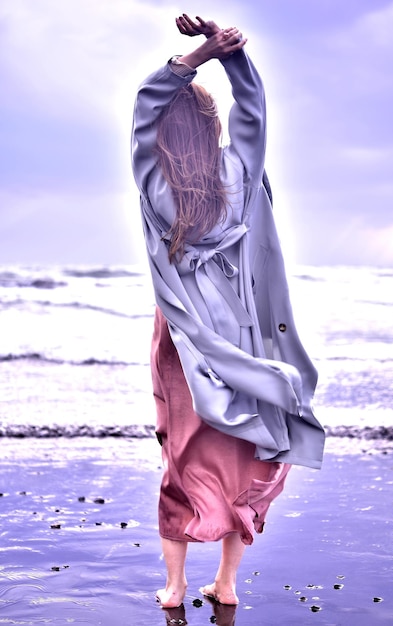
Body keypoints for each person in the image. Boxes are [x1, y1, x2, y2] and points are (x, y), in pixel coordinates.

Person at [131, 13, 325, 609]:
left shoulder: (154, 182)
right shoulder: (242, 172)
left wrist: (192, 59)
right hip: (245, 334)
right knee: (247, 451)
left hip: (186, 337)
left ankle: (174, 587)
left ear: (164, 133)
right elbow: (254, 109)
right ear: (212, 126)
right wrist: (229, 55)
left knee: (182, 451)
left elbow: (143, 106)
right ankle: (229, 583)